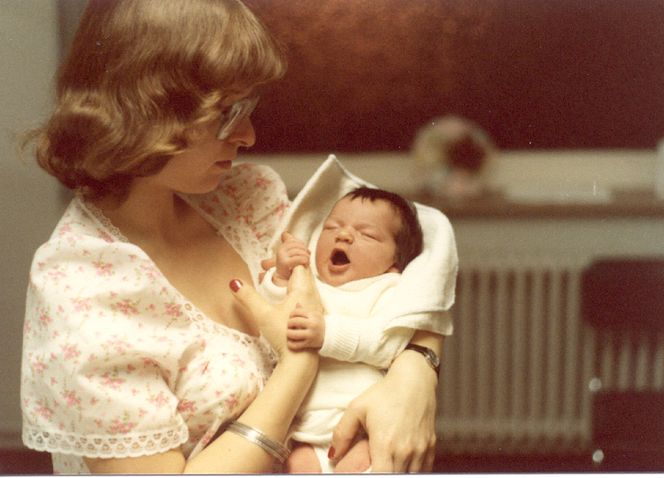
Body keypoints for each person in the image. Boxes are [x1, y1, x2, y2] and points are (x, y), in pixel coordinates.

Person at [19, 0, 453, 474]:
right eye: (228, 112)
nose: (247, 134)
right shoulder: (83, 284)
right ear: (148, 108)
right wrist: (296, 366)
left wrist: (416, 371)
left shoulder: (243, 200)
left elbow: (424, 235)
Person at [259, 186, 446, 473]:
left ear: (395, 262)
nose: (343, 235)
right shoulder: (309, 281)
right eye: (332, 227)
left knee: (361, 466)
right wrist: (282, 277)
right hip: (303, 430)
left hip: (363, 426)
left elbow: (385, 345)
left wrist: (327, 334)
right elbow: (275, 317)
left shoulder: (387, 290)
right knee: (299, 465)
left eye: (367, 234)